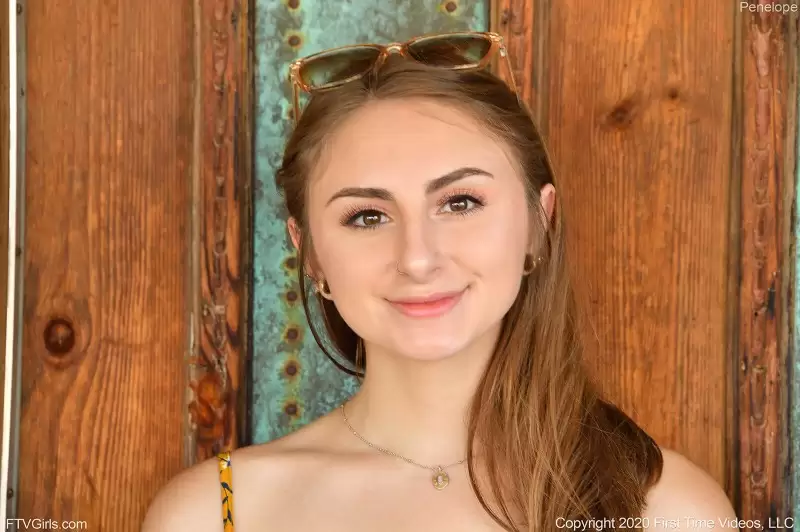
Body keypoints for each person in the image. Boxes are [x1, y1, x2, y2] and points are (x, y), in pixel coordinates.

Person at [142, 32, 739, 531]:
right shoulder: (212, 513)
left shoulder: (667, 512)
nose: (418, 258)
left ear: (539, 223)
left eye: (460, 202)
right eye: (367, 216)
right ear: (312, 254)